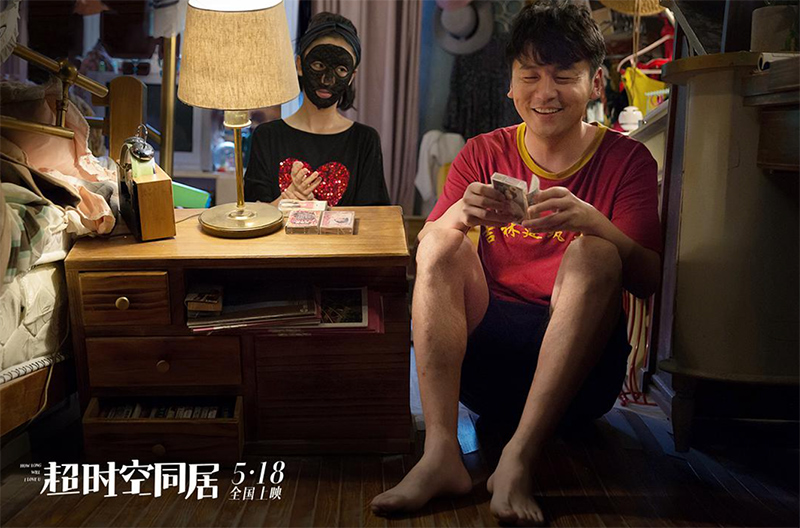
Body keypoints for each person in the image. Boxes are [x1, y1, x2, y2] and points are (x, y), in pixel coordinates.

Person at [370, 2, 662, 526]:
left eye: (564, 76)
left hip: (580, 383)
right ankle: (440, 454)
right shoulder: (483, 153)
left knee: (596, 252)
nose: (545, 93)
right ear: (511, 84)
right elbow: (428, 250)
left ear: (596, 84)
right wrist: (458, 213)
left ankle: (519, 459)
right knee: (439, 241)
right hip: (486, 373)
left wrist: (594, 223)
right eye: (530, 76)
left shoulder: (627, 160)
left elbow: (647, 279)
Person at [244, 12, 390, 207]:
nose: (327, 80)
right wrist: (285, 201)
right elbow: (252, 213)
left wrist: (321, 212)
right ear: (299, 65)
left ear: (352, 76)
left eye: (341, 70)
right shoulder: (267, 137)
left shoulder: (364, 141)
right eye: (318, 65)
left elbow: (376, 217)